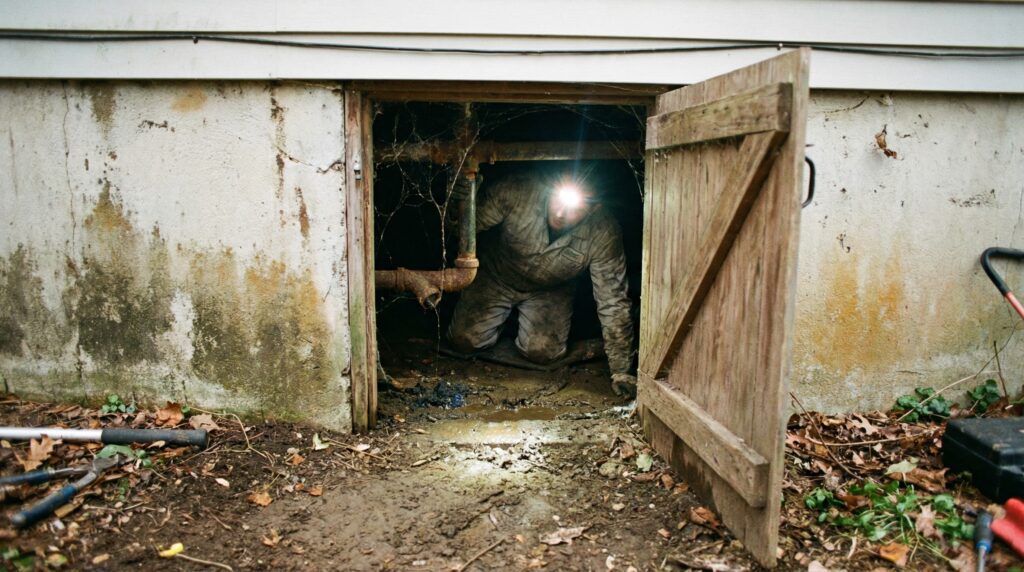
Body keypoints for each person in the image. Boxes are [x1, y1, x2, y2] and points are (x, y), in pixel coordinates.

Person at [447, 170, 637, 396]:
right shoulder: (517, 190)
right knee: (463, 341)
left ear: (593, 209)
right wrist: (459, 203)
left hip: (551, 290)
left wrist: (621, 370)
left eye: (575, 208)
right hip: (497, 276)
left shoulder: (603, 231)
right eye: (558, 199)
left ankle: (519, 328)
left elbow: (613, 299)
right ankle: (504, 326)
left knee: (544, 353)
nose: (559, 213)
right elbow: (460, 230)